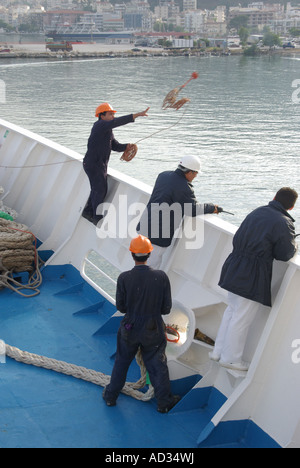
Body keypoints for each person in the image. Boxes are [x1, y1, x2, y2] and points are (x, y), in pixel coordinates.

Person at [211, 187, 298, 371]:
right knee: (241, 317)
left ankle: (218, 352)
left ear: (274, 197)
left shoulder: (257, 211)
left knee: (232, 311)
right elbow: (285, 254)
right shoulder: (283, 223)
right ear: (291, 207)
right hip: (252, 273)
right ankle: (232, 359)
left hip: (234, 265)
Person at [103, 235, 180, 413]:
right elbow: (166, 308)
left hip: (129, 326)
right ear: (149, 254)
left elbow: (121, 307)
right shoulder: (161, 277)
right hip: (153, 327)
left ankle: (110, 397)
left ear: (132, 254)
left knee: (122, 362)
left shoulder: (124, 278)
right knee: (157, 365)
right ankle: (164, 403)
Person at [137, 155, 219, 269]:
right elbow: (192, 209)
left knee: (140, 263)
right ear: (189, 172)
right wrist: (211, 208)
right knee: (150, 268)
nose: (195, 176)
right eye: (195, 173)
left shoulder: (163, 176)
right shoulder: (183, 186)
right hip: (159, 234)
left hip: (145, 226)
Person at [82, 103, 149, 225]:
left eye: (113, 114)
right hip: (94, 164)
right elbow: (117, 122)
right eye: (110, 114)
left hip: (97, 164)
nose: (113, 116)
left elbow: (114, 146)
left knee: (98, 189)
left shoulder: (107, 130)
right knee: (100, 190)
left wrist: (126, 147)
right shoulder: (100, 125)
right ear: (102, 116)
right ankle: (97, 217)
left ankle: (88, 211)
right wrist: (136, 115)